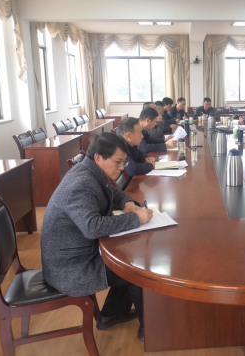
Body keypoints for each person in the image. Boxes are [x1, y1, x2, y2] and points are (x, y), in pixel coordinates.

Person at [41, 133, 154, 341]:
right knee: (138, 271)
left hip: (78, 254)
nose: (122, 168)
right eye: (118, 162)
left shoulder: (91, 170)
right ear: (99, 157)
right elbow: (92, 227)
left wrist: (127, 203)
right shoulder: (81, 184)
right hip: (71, 267)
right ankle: (151, 331)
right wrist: (136, 218)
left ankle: (111, 314)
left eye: (124, 162)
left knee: (129, 257)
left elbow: (113, 191)